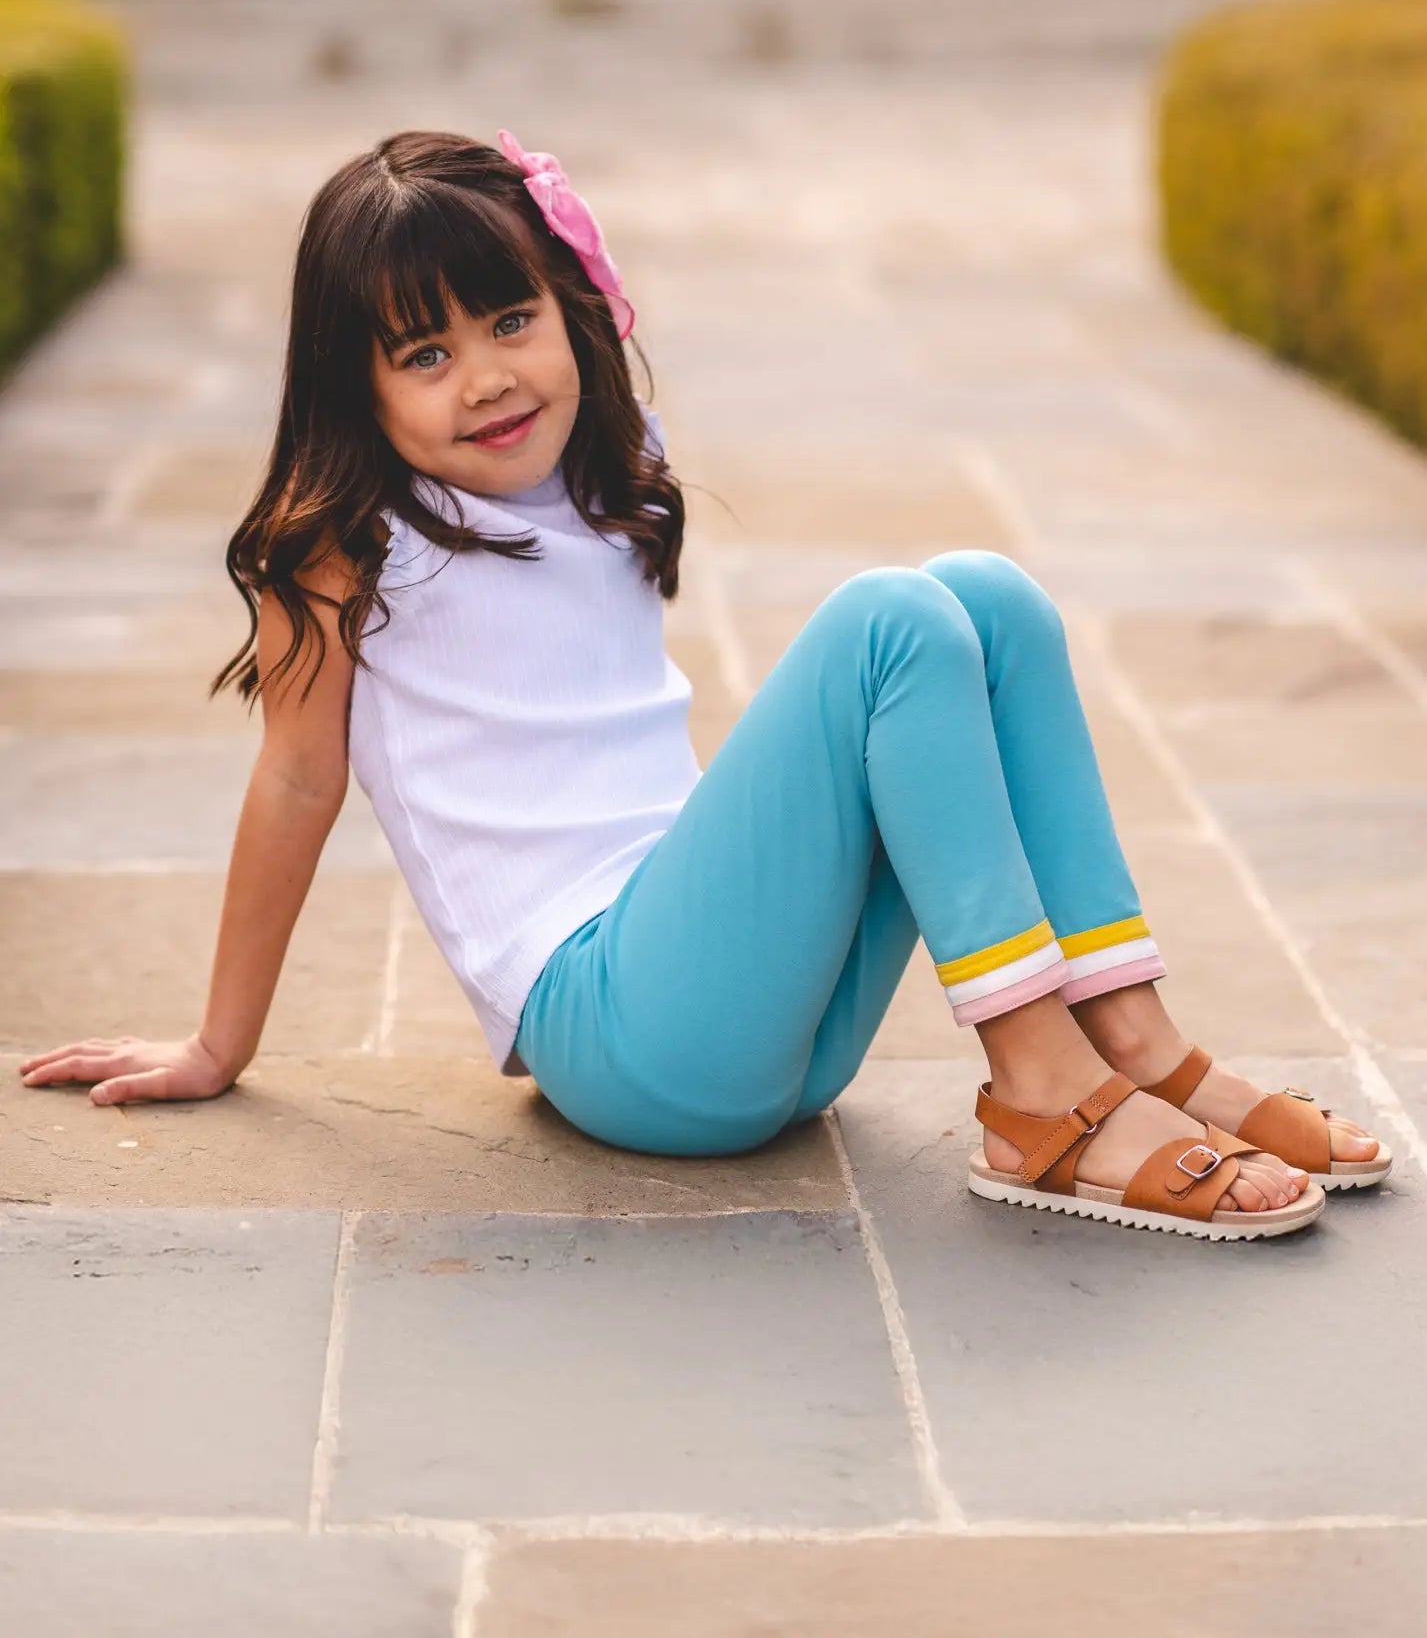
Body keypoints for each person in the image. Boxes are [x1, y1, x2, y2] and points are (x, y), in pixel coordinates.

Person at [19, 128, 1390, 1240]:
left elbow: (590, 358)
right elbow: (297, 777)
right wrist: (219, 1043)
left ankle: (1129, 1038)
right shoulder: (347, 551)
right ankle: (1040, 1081)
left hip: (776, 1026)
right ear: (354, 389)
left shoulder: (604, 474)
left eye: (512, 320)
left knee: (990, 598)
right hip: (619, 1032)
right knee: (889, 622)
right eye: (424, 355)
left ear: (570, 311)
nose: (487, 379)